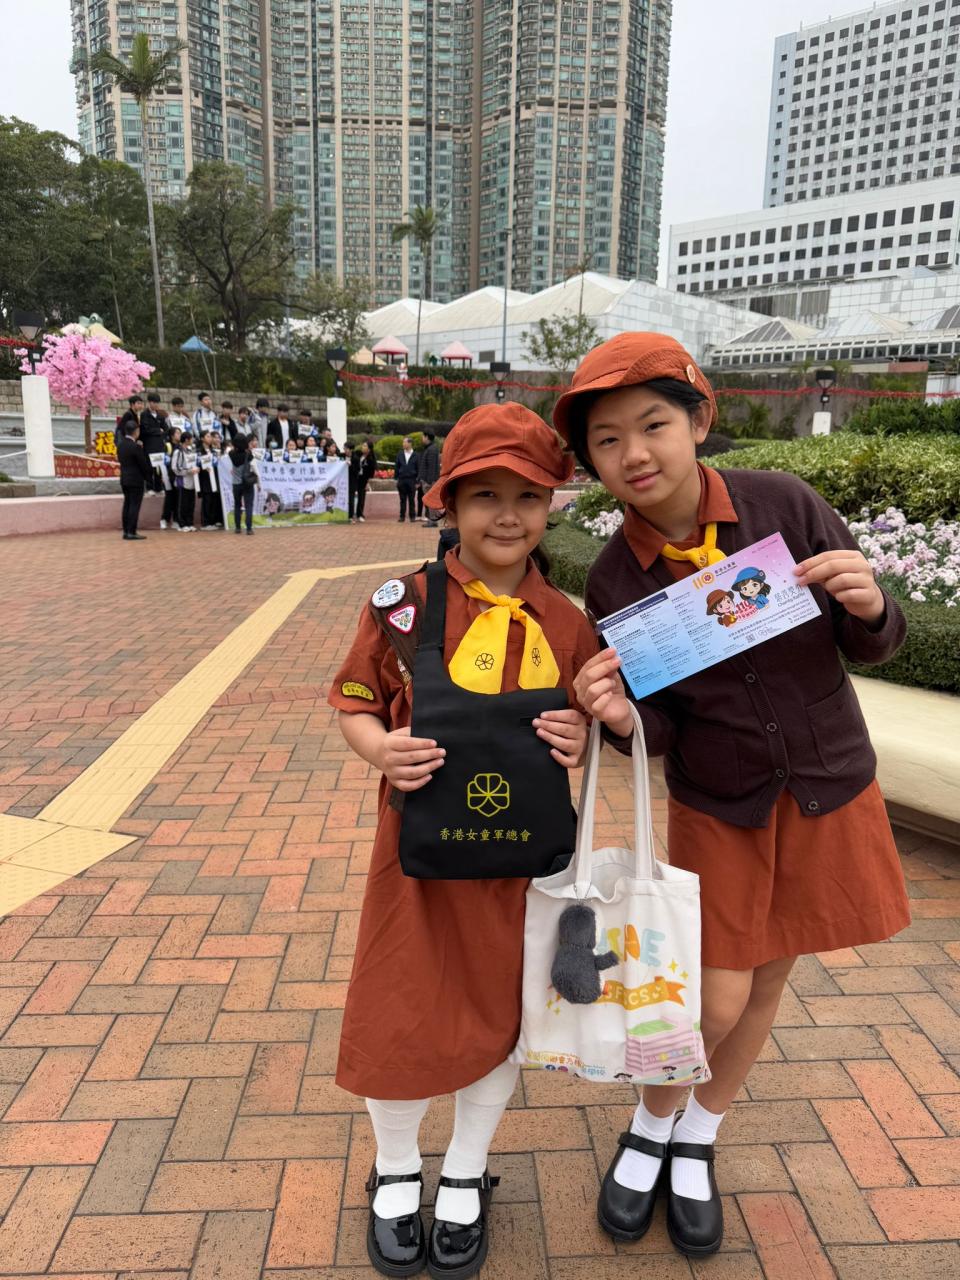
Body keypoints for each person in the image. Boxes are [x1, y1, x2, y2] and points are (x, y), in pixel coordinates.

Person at [555, 332, 911, 1259]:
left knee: (770, 976)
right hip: (720, 804)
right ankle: (650, 1124)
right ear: (590, 460)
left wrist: (871, 605)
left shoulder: (782, 505)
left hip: (827, 783)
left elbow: (871, 639)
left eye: (654, 425)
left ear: (700, 420)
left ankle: (698, 1136)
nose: (634, 453)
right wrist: (624, 720)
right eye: (607, 440)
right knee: (710, 999)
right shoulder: (615, 576)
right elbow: (661, 724)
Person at [328, 403, 597, 1279]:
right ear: (448, 500)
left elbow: (597, 723)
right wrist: (380, 749)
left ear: (550, 504)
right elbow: (356, 702)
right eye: (486, 495)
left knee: (501, 1010)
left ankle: (467, 1169)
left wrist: (582, 736)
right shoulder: (403, 606)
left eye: (528, 496)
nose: (508, 516)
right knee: (398, 1003)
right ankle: (396, 1166)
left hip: (518, 866)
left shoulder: (565, 621)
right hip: (416, 857)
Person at [117, 420, 153, 540]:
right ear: (136, 431)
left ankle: (126, 531)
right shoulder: (135, 447)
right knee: (134, 506)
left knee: (127, 504)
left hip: (124, 478)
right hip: (136, 480)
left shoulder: (121, 445)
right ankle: (131, 531)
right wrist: (149, 478)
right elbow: (143, 464)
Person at [228, 432, 258, 535]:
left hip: (236, 483)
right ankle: (249, 528)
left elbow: (230, 450)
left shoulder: (231, 454)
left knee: (237, 505)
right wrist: (258, 482)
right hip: (247, 483)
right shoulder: (249, 455)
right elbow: (254, 468)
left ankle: (237, 527)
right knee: (248, 505)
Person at [172, 428, 199, 531]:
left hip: (192, 481)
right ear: (187, 440)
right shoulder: (178, 452)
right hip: (182, 481)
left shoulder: (190, 451)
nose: (192, 441)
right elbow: (175, 468)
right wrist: (188, 471)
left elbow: (193, 463)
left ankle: (189, 523)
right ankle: (182, 524)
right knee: (182, 503)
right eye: (191, 439)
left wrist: (196, 468)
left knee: (190, 503)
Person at [139, 392, 167, 490]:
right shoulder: (144, 414)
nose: (156, 405)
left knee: (159, 467)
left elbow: (165, 429)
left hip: (159, 445)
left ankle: (159, 487)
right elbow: (145, 429)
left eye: (157, 403)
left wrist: (160, 432)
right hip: (149, 445)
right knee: (149, 467)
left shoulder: (160, 415)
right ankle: (150, 487)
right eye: (154, 402)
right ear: (149, 403)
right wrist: (158, 430)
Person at [196, 430, 222, 529]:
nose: (210, 438)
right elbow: (197, 463)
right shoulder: (199, 451)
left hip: (214, 478)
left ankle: (212, 521)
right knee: (207, 500)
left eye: (210, 436)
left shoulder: (213, 451)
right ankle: (205, 523)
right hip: (205, 479)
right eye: (207, 436)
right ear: (202, 438)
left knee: (213, 500)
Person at [160, 425, 182, 529]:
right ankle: (164, 519)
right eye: (177, 433)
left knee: (178, 498)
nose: (179, 435)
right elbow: (162, 461)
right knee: (169, 497)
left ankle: (176, 520)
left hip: (179, 476)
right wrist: (162, 476)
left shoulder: (181, 446)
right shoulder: (167, 446)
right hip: (168, 476)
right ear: (172, 435)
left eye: (180, 433)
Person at [419, 428, 441, 526]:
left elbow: (431, 466)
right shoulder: (431, 448)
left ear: (427, 437)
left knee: (431, 502)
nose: (422, 438)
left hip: (429, 481)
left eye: (423, 436)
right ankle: (432, 519)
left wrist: (429, 481)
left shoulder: (431, 449)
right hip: (429, 480)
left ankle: (433, 520)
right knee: (430, 502)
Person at [394, 436, 419, 522]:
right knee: (402, 499)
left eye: (405, 442)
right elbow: (397, 467)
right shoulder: (400, 454)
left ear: (410, 443)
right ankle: (402, 516)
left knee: (412, 499)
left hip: (412, 480)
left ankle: (412, 516)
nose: (403, 444)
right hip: (402, 479)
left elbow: (418, 468)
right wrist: (396, 479)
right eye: (403, 442)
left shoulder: (416, 455)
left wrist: (418, 481)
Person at [355, 439, 376, 522]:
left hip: (363, 479)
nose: (362, 447)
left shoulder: (371, 459)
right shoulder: (358, 454)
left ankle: (360, 514)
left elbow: (371, 473)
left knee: (361, 496)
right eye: (363, 445)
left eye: (365, 446)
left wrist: (368, 482)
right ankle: (351, 513)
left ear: (369, 449)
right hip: (355, 478)